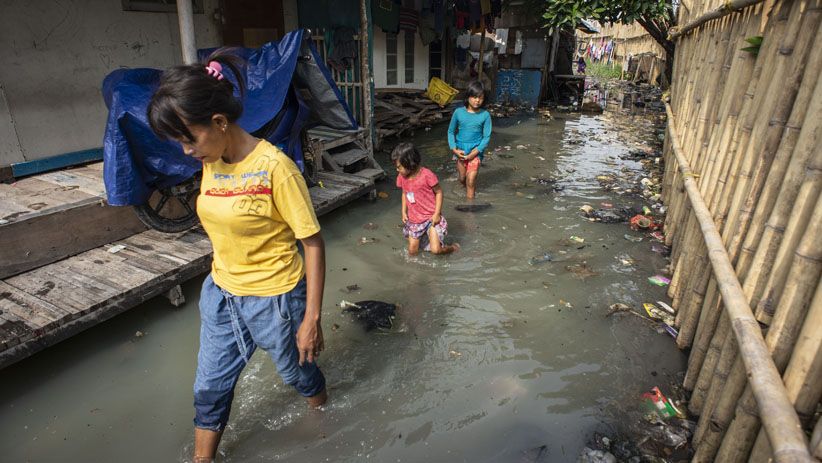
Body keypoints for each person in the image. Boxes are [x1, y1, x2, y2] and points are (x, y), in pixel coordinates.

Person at [147, 53, 327, 463]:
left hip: (276, 300)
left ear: (219, 122)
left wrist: (310, 320)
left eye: (189, 138)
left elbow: (313, 244)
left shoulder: (276, 169)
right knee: (209, 386)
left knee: (298, 375)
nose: (186, 151)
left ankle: (324, 415)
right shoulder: (213, 159)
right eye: (179, 142)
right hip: (222, 295)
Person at [393, 142, 460, 256]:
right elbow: (404, 193)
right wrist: (403, 211)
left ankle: (452, 248)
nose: (397, 170)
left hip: (431, 218)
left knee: (436, 250)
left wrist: (437, 214)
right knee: (412, 251)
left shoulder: (427, 175)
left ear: (410, 163)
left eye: (399, 167)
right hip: (414, 220)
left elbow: (439, 192)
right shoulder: (402, 177)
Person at [447, 80, 492, 199]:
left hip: (475, 152)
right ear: (468, 97)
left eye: (480, 98)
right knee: (462, 178)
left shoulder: (485, 115)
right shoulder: (458, 112)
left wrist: (476, 152)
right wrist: (454, 149)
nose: (477, 100)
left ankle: (470, 209)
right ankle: (463, 189)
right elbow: (451, 132)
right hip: (460, 151)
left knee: (471, 181)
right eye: (474, 97)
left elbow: (486, 137)